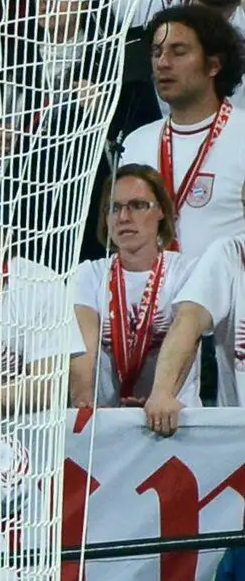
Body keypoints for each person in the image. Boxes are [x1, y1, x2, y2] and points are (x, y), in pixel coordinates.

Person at [78, 164, 179, 409]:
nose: (123, 217)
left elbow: (187, 335)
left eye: (137, 205)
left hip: (172, 420)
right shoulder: (90, 274)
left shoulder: (187, 272)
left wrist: (163, 395)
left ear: (162, 211)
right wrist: (82, 399)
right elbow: (84, 349)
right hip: (108, 421)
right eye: (114, 208)